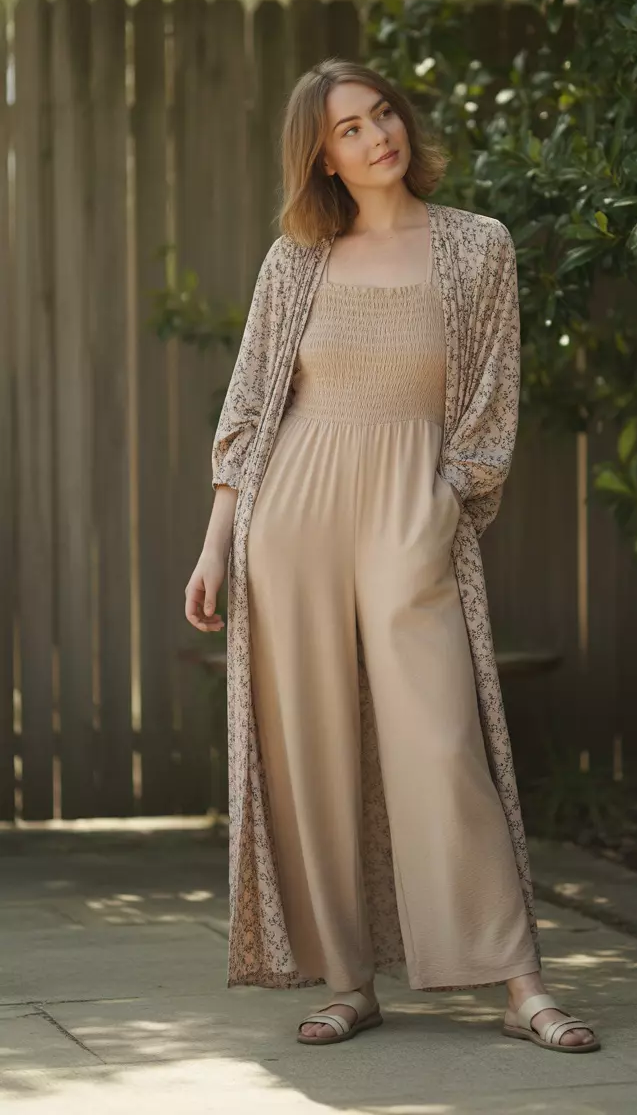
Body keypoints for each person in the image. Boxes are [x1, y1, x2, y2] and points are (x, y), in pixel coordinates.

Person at [185, 59, 600, 1053]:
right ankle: (350, 982)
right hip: (293, 520)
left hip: (415, 511)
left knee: (442, 745)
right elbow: (252, 403)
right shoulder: (296, 260)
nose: (378, 137)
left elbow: (491, 399)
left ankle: (521, 985)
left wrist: (444, 506)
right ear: (321, 158)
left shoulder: (476, 245)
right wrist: (216, 545)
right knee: (314, 754)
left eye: (383, 114)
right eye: (350, 129)